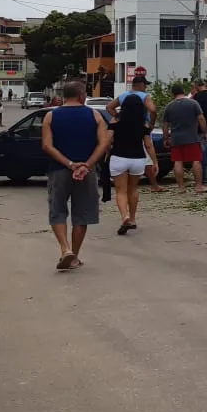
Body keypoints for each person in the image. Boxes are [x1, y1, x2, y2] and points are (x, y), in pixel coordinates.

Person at [41, 81, 109, 272]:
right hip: (86, 173)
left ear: (64, 96)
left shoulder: (50, 116)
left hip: (58, 170)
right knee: (82, 214)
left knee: (58, 210)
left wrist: (70, 164)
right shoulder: (95, 115)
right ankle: (75, 256)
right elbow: (103, 144)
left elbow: (47, 146)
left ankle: (65, 249)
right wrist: (86, 164)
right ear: (81, 96)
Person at [108, 93, 158, 234]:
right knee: (133, 189)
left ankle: (125, 216)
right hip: (137, 160)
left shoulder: (115, 121)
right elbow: (148, 145)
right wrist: (154, 161)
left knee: (121, 191)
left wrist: (105, 153)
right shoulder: (143, 123)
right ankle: (134, 219)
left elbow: (108, 140)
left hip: (119, 158)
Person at [107, 75, 162, 191]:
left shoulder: (123, 96)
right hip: (140, 128)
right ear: (141, 85)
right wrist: (151, 123)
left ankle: (146, 184)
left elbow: (109, 107)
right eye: (145, 85)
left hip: (124, 130)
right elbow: (152, 110)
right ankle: (153, 185)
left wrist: (118, 117)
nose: (146, 87)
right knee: (146, 157)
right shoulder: (144, 96)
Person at [162, 83, 207, 194]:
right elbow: (201, 118)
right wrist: (204, 132)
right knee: (196, 160)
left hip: (176, 138)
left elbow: (165, 124)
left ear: (173, 94)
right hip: (192, 137)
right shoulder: (193, 103)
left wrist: (166, 138)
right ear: (183, 91)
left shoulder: (169, 106)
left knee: (178, 161)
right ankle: (198, 186)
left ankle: (181, 187)